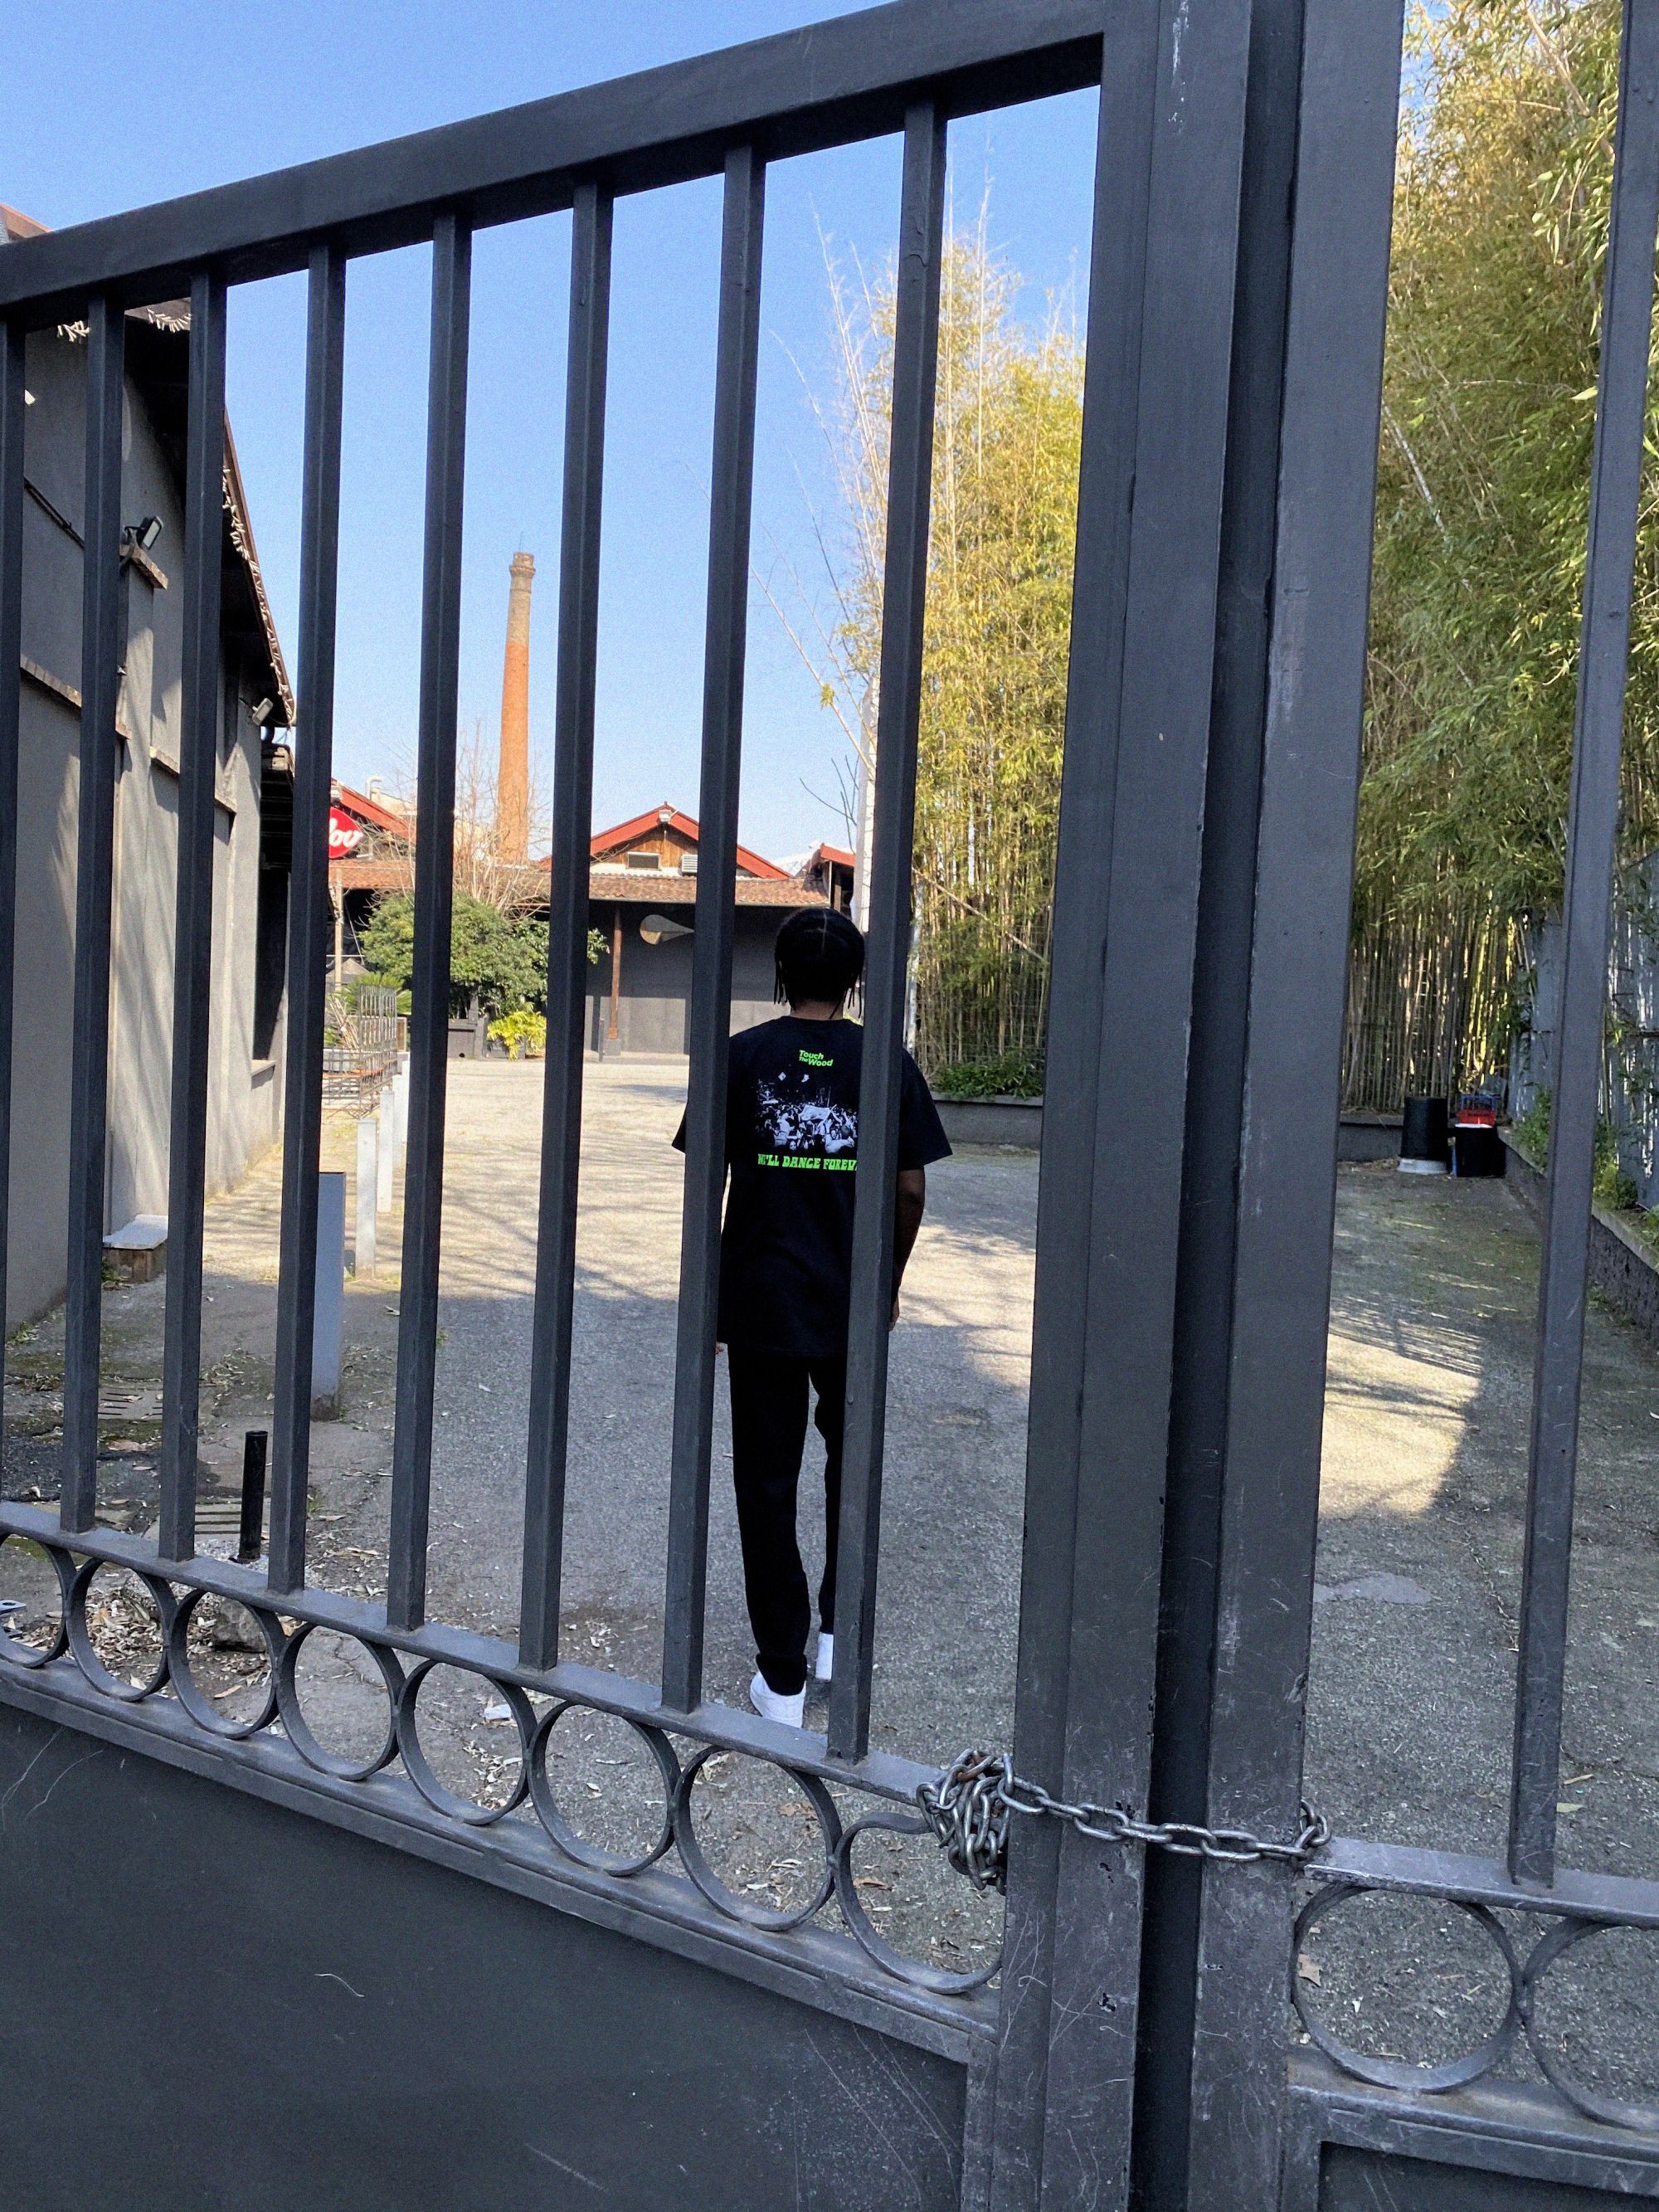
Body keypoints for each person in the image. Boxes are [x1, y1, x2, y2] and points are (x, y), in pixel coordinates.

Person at [674, 908, 951, 1727]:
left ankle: (783, 1679)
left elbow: (706, 1186)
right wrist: (886, 1281)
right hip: (848, 1302)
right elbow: (910, 1188)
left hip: (762, 1301)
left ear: (781, 975)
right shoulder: (885, 1063)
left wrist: (711, 1295)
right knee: (849, 1467)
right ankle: (834, 1636)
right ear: (855, 980)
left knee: (766, 1482)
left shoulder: (740, 1057)